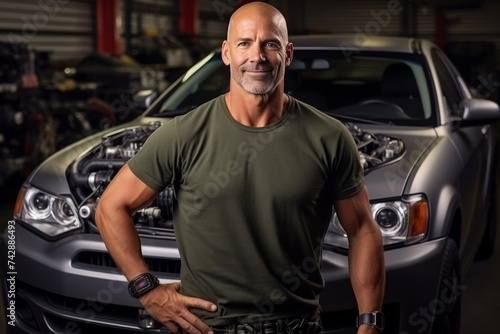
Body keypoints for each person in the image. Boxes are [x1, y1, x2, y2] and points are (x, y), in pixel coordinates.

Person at [95, 2, 385, 334]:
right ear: (226, 53)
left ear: (288, 54)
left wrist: (370, 322)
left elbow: (362, 230)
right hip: (206, 326)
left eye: (270, 44)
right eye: (244, 43)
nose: (257, 56)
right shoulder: (182, 134)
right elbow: (110, 206)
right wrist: (146, 289)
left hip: (296, 325)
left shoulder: (329, 137)